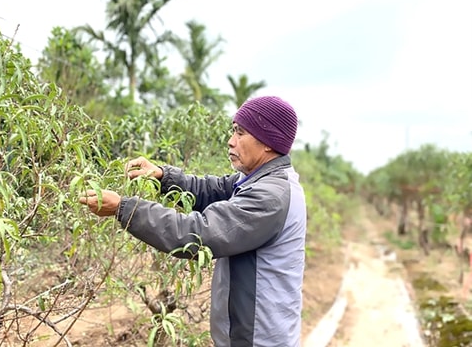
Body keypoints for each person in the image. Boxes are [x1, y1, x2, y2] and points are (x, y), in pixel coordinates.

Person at [79, 96, 307, 347]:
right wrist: (162, 177)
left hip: (259, 340)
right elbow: (212, 189)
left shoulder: (270, 196)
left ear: (267, 142)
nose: (231, 141)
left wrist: (124, 209)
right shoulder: (261, 180)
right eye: (233, 131)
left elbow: (196, 234)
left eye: (241, 133)